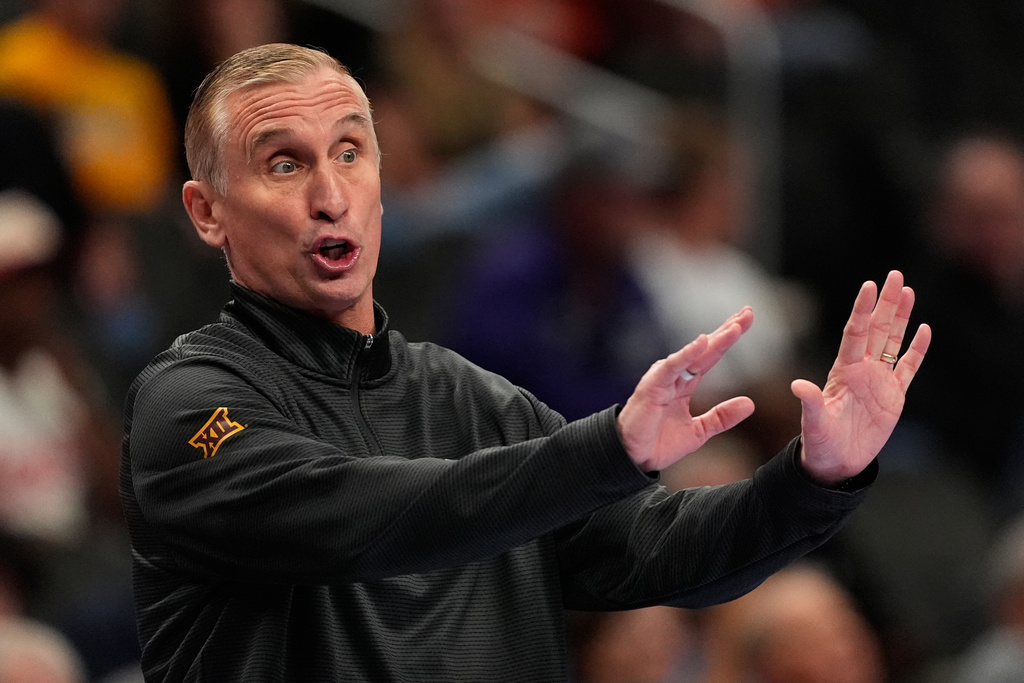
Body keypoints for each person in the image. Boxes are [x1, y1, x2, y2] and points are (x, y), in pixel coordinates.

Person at [119, 43, 930, 682]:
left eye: (350, 152)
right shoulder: (190, 404)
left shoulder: (471, 399)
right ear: (207, 211)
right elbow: (365, 517)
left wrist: (815, 480)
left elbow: (653, 548)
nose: (329, 194)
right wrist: (605, 450)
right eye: (284, 163)